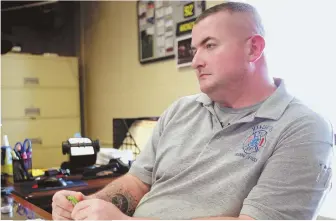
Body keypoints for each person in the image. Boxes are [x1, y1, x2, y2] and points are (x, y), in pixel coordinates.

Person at [52, 1, 334, 220]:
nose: (195, 61)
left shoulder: (303, 128)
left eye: (209, 45)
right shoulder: (182, 110)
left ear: (254, 49)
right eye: (194, 49)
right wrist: (89, 206)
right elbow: (137, 182)